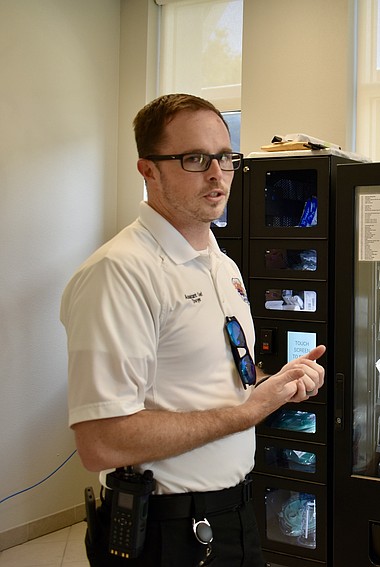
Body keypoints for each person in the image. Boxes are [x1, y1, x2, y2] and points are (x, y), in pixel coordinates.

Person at [60, 93, 326, 566]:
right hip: (166, 533)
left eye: (225, 157)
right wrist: (249, 412)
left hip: (236, 512)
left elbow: (209, 379)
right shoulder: (120, 272)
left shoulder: (221, 264)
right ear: (148, 170)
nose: (216, 175)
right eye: (194, 159)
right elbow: (102, 442)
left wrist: (273, 387)